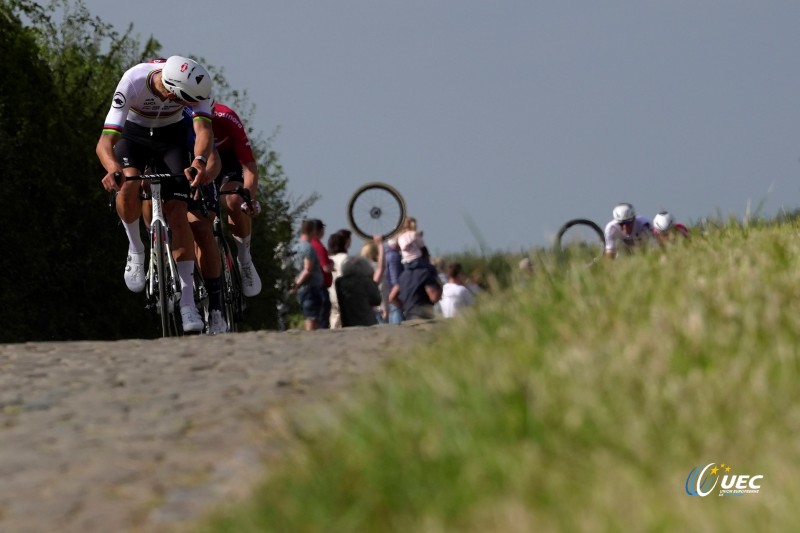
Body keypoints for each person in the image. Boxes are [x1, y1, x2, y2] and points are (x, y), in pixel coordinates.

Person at [97, 55, 214, 333]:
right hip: (134, 136)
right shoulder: (134, 80)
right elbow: (106, 140)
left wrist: (199, 161)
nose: (187, 105)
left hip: (170, 139)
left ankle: (187, 303)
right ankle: (136, 248)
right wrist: (112, 166)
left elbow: (203, 130)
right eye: (183, 100)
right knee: (127, 184)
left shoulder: (197, 86)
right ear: (170, 88)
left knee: (177, 212)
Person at [210, 101, 263, 297]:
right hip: (197, 162)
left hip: (229, 161)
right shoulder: (181, 117)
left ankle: (244, 257)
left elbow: (249, 166)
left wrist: (248, 198)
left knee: (234, 200)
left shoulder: (226, 117)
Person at [388, 248, 442, 320]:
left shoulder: (403, 275)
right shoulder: (425, 273)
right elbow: (434, 297)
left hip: (408, 316)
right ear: (425, 257)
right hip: (424, 316)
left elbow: (392, 297)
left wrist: (403, 307)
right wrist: (440, 288)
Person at [290, 219, 324, 331]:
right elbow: (307, 269)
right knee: (312, 318)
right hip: (310, 288)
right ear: (313, 231)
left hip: (303, 288)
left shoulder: (295, 247)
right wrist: (297, 284)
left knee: (309, 316)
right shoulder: (308, 248)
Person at [335, 256, 382, 327]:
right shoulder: (366, 282)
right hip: (367, 321)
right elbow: (377, 300)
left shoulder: (339, 282)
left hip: (347, 321)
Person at [310, 219, 333, 328]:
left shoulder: (310, 244)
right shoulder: (318, 246)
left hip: (314, 286)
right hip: (321, 287)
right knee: (323, 320)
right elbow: (326, 268)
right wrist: (332, 265)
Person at [359, 236, 387, 323]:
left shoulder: (362, 268)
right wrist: (380, 245)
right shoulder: (373, 266)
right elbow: (381, 268)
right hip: (378, 309)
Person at [327, 231, 349, 329]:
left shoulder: (328, 258)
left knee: (333, 320)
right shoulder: (345, 258)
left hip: (330, 293)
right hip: (343, 294)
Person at [383, 237, 404, 325]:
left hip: (387, 297)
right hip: (394, 300)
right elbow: (395, 280)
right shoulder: (394, 255)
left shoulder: (385, 253)